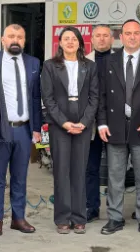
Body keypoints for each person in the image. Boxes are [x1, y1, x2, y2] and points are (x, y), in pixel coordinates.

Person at [97, 19, 140, 238]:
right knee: (115, 176)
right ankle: (115, 218)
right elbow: (101, 96)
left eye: (136, 33)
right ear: (121, 36)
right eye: (128, 33)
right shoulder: (109, 61)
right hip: (115, 126)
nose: (132, 37)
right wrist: (102, 122)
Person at [41, 27, 100, 234]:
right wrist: (64, 123)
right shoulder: (50, 66)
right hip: (60, 125)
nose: (70, 42)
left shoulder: (90, 66)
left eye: (74, 39)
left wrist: (84, 122)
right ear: (60, 43)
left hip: (83, 124)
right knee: (61, 171)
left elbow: (94, 97)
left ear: (80, 43)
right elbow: (48, 98)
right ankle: (63, 218)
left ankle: (79, 217)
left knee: (79, 171)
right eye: (66, 38)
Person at [0, 24, 43, 235]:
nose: (15, 40)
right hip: (1, 128)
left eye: (20, 36)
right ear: (3, 39)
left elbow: (36, 97)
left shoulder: (33, 63)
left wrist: (36, 128)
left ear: (24, 40)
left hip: (24, 129)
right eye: (11, 36)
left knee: (20, 176)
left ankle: (18, 218)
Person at [84, 25, 114, 222]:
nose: (102, 39)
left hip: (115, 123)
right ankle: (91, 207)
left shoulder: (120, 60)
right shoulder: (84, 61)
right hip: (91, 124)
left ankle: (114, 209)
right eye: (98, 36)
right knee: (90, 167)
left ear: (112, 39)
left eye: (105, 36)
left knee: (115, 169)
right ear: (92, 39)